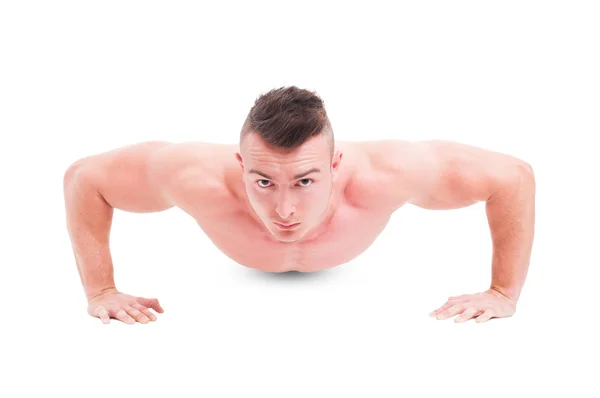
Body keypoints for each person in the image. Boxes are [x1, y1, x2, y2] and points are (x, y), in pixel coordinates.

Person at [63, 86, 536, 325]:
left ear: (335, 164)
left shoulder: (390, 173)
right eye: (263, 180)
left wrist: (502, 293)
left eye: (305, 180)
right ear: (240, 163)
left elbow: (513, 177)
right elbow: (84, 179)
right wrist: (101, 291)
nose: (284, 208)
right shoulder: (193, 176)